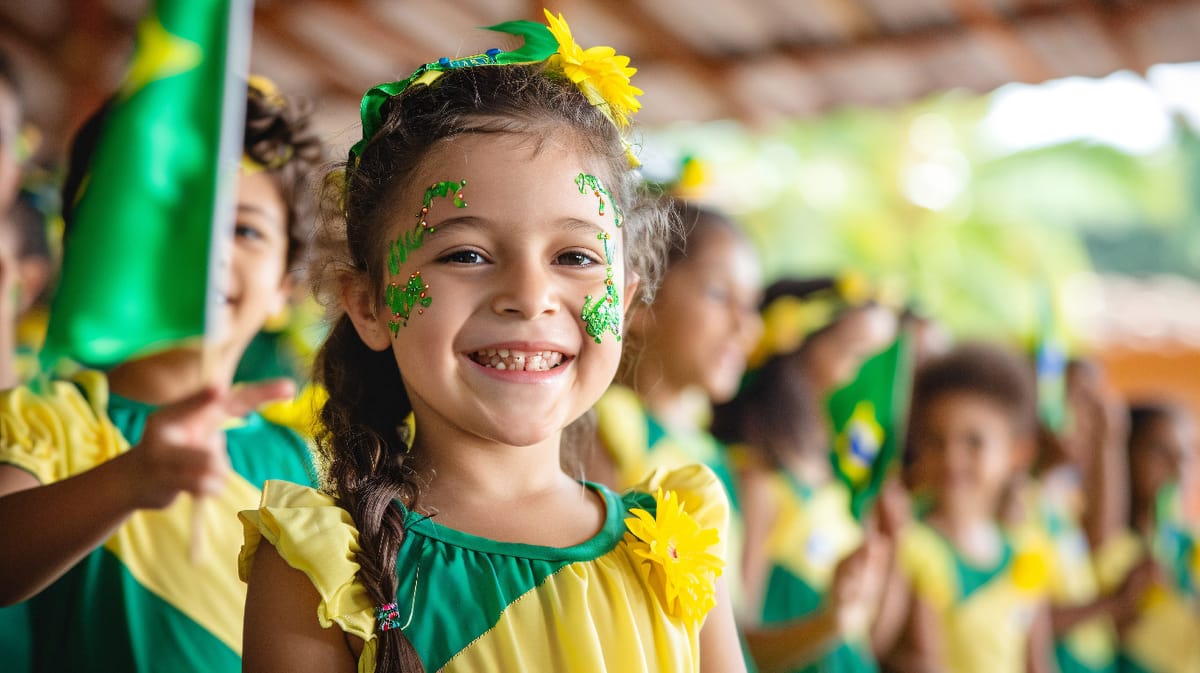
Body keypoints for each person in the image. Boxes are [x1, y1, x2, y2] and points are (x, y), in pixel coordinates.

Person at [238, 11, 746, 673]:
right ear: (370, 304)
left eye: (574, 256)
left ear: (621, 302)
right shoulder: (320, 565)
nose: (529, 294)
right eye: (468, 254)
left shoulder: (675, 543)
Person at [0, 78, 323, 672]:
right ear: (95, 250)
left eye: (244, 229)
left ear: (284, 289)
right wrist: (131, 480)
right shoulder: (49, 416)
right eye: (169, 217)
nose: (205, 252)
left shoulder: (307, 467)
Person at [888, 343, 1056, 673]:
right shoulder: (913, 544)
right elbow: (926, 662)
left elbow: (1038, 661)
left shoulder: (1029, 550)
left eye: (973, 442)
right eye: (936, 440)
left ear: (1018, 453)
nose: (952, 458)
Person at [1101, 401, 1200, 673]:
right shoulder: (1107, 542)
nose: (1177, 470)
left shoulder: (1190, 546)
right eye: (1160, 452)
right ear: (1124, 453)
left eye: (1186, 456)